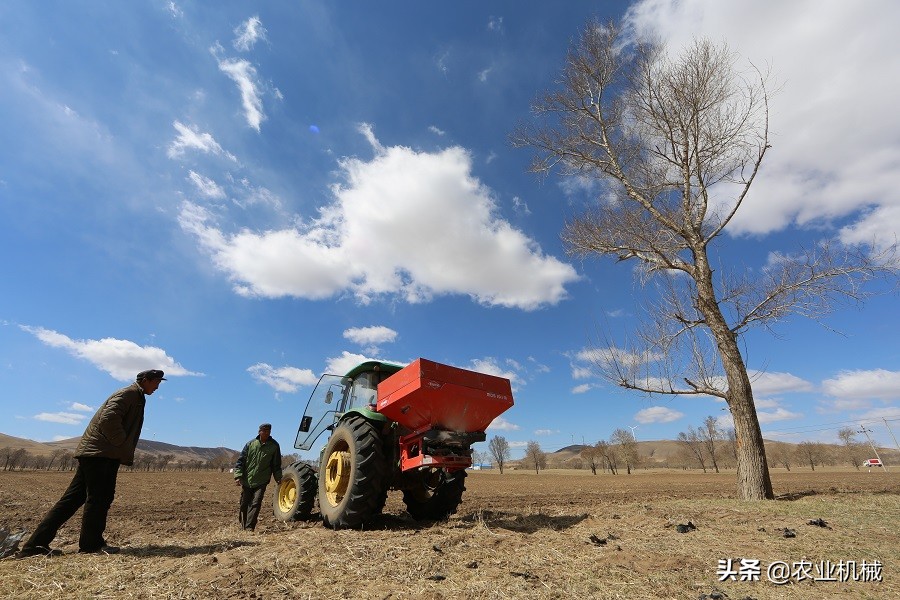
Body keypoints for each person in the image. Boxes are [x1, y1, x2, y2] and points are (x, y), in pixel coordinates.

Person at [16, 369, 166, 558]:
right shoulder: (128, 393)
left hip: (97, 453)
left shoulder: (135, 395)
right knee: (100, 498)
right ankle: (91, 544)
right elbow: (108, 419)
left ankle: (34, 546)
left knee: (72, 499)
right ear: (146, 380)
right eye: (156, 382)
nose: (158, 387)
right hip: (102, 454)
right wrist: (120, 443)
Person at [234, 423, 282, 531]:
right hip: (247, 479)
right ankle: (243, 526)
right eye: (264, 431)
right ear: (259, 431)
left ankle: (250, 527)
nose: (266, 433)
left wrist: (278, 477)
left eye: (268, 431)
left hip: (262, 480)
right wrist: (238, 476)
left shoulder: (274, 446)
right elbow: (240, 461)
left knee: (255, 503)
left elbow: (276, 464)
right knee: (244, 504)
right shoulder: (250, 444)